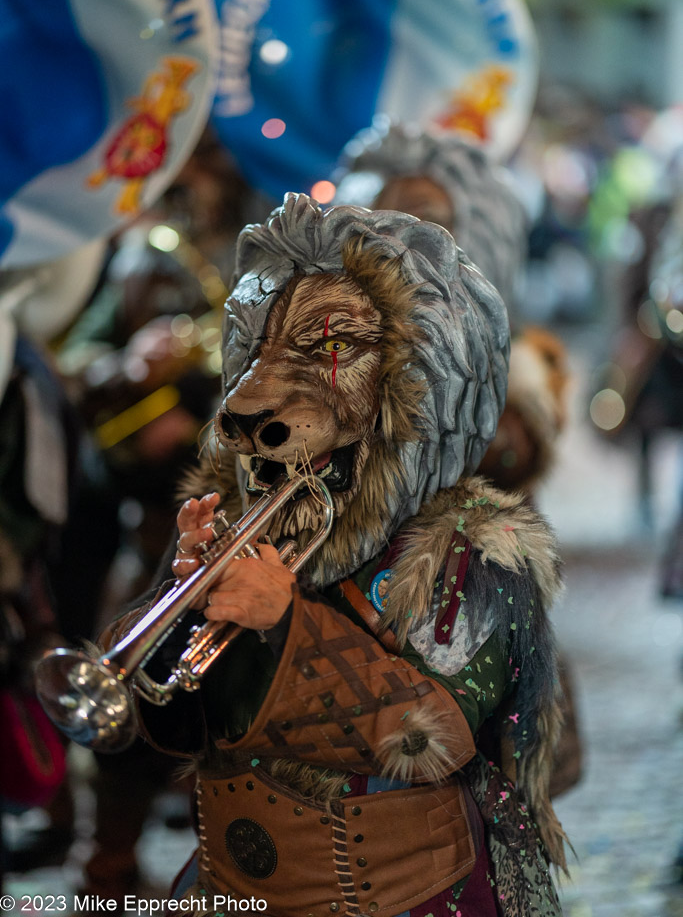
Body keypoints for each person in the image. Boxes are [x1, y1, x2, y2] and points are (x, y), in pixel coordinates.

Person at [101, 193, 568, 917]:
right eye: (262, 349)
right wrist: (182, 616)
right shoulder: (236, 518)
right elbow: (172, 727)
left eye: (333, 349)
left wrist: (285, 623)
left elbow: (429, 736)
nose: (250, 400)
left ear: (416, 374)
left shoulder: (479, 550)